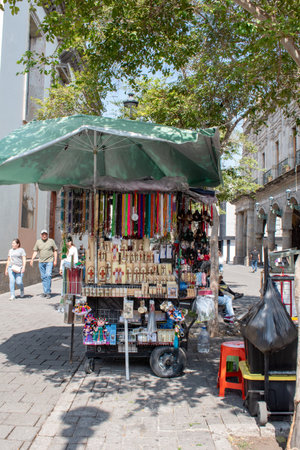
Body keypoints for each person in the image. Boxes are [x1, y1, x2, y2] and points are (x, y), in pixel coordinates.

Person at [30, 230, 58, 298]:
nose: (44, 236)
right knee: (43, 277)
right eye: (43, 234)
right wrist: (32, 259)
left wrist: (55, 260)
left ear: (47, 235)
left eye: (45, 234)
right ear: (41, 235)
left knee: (48, 275)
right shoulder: (38, 242)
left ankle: (48, 292)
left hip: (49, 261)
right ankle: (45, 292)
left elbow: (55, 251)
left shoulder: (51, 241)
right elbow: (35, 251)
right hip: (41, 262)